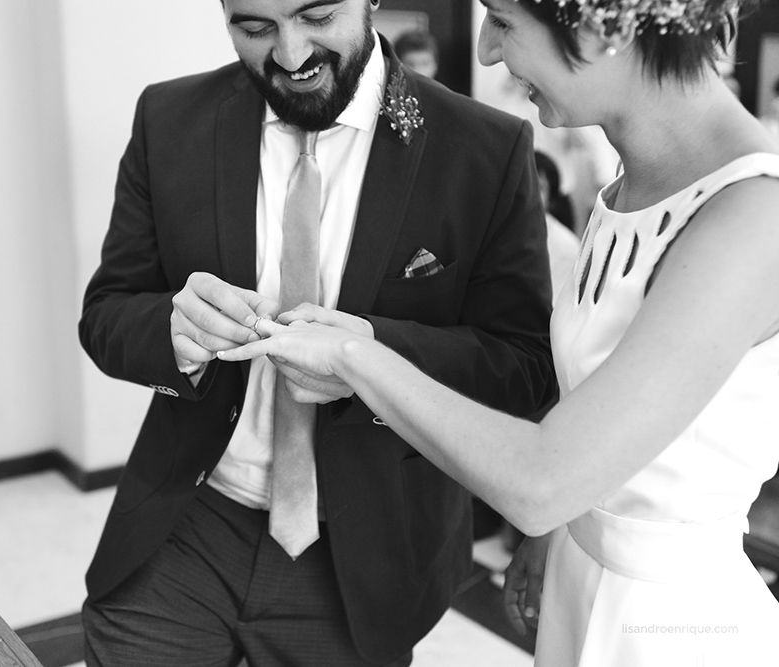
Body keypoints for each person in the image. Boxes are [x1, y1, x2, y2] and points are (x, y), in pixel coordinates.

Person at [219, 0, 779, 663]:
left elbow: (543, 482)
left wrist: (355, 354)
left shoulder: (754, 217)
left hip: (672, 626)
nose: (486, 51)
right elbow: (600, 420)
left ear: (609, 27)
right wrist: (560, 537)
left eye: (505, 22)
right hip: (580, 573)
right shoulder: (635, 182)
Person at [77, 0, 557, 664]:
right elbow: (105, 315)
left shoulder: (483, 148)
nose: (292, 54)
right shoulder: (170, 119)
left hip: (364, 551)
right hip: (184, 525)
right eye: (255, 28)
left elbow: (524, 365)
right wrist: (172, 330)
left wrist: (369, 357)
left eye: (318, 17)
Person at [535, 150, 580, 301]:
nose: (528, 192)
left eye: (539, 187)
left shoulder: (565, 248)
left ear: (551, 200)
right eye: (523, 183)